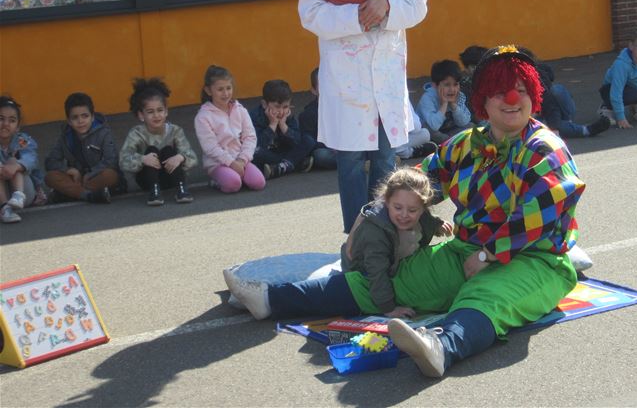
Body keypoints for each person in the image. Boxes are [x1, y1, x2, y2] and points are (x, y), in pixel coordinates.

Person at [225, 45, 585, 378]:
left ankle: (440, 347)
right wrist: (372, 216)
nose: (512, 99)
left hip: (536, 259)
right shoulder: (467, 143)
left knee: (487, 298)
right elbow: (415, 180)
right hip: (466, 248)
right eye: (501, 90)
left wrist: (489, 253)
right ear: (482, 100)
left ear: (534, 96)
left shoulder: (544, 149)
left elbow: (543, 210)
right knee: (388, 280)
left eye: (522, 89)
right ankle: (271, 299)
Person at [298, 0, 428, 233]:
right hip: (347, 77)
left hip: (385, 75)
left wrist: (386, 6)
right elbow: (308, 13)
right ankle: (356, 234)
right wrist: (356, 15)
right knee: (351, 161)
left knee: (387, 157)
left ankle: (388, 229)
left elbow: (418, 5)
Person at [338, 166, 452, 318]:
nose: (404, 215)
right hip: (361, 270)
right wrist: (389, 308)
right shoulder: (374, 231)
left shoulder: (421, 213)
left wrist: (437, 224)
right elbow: (376, 273)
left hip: (393, 258)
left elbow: (426, 218)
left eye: (412, 210)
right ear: (386, 201)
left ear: (423, 208)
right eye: (397, 208)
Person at [120, 78, 197, 206]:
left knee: (168, 150)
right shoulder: (136, 133)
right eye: (150, 112)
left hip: (171, 178)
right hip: (147, 180)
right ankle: (154, 192)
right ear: (141, 115)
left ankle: (182, 189)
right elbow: (123, 160)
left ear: (166, 111)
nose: (156, 115)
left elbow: (192, 157)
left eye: (160, 110)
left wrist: (180, 157)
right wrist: (142, 159)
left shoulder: (175, 131)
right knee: (151, 150)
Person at [194, 65, 265, 193]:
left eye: (228, 88)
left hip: (240, 159)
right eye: (220, 89)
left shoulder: (240, 110)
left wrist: (242, 159)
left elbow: (250, 136)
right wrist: (231, 163)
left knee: (259, 182)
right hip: (218, 163)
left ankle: (237, 175)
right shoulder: (203, 116)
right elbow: (210, 147)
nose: (226, 93)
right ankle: (217, 180)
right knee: (233, 184)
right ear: (209, 91)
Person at [44, 92, 124, 204]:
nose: (80, 121)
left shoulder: (104, 133)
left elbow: (111, 161)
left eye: (85, 116)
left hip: (97, 176)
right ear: (69, 121)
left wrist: (90, 174)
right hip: (77, 178)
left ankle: (70, 193)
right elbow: (50, 161)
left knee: (110, 175)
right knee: (50, 177)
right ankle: (89, 195)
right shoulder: (66, 136)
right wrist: (68, 170)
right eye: (75, 117)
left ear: (92, 117)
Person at [531, 55, 610, 138]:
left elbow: (550, 104)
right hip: (542, 116)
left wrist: (554, 126)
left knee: (556, 90)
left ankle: (568, 123)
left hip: (556, 110)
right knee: (541, 127)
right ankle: (586, 130)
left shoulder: (539, 78)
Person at [250, 79, 315, 179]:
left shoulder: (288, 116)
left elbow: (297, 141)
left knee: (308, 140)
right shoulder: (254, 117)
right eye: (277, 106)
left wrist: (283, 126)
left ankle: (282, 167)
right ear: (264, 104)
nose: (281, 112)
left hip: (284, 151)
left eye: (285, 107)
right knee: (255, 153)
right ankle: (294, 162)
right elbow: (258, 144)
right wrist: (273, 124)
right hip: (268, 153)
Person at [1, 96, 44, 223]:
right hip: (2, 193)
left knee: (14, 161)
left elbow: (31, 158)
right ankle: (5, 209)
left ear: (18, 126)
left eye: (12, 120)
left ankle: (18, 196)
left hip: (24, 193)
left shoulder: (22, 140)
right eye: (0, 119)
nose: (5, 124)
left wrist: (16, 166)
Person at [416, 59, 473, 144]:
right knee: (428, 129)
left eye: (455, 84)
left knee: (471, 126)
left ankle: (450, 142)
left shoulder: (459, 96)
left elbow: (464, 122)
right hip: (432, 133)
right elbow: (433, 126)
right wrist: (444, 104)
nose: (452, 89)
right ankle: (452, 143)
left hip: (448, 132)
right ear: (435, 85)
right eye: (447, 85)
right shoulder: (427, 99)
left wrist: (454, 105)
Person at [298, 68, 337, 170]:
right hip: (327, 149)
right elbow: (309, 141)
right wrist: (330, 146)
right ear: (314, 91)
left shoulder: (345, 107)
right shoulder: (308, 114)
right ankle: (358, 163)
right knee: (320, 155)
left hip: (349, 146)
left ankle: (357, 161)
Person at [458, 45, 487, 123]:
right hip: (473, 121)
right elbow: (472, 115)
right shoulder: (463, 85)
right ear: (466, 68)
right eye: (473, 67)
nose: (478, 70)